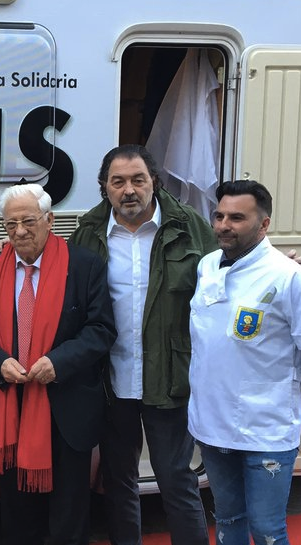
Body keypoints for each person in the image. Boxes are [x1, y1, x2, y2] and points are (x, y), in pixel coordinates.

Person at [68, 144, 214, 545]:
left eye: (138, 179)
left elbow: (232, 274)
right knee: (118, 482)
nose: (128, 190)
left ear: (154, 182)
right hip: (112, 380)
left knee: (176, 479)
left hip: (170, 376)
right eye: (118, 182)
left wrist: (283, 264)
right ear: (104, 188)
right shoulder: (88, 234)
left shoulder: (189, 227)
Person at [188, 180, 301, 545]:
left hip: (265, 428)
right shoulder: (208, 265)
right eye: (219, 215)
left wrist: (281, 384)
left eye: (237, 217)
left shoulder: (291, 277)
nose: (224, 224)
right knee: (227, 519)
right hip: (212, 421)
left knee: (267, 528)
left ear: (264, 224)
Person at [0, 183, 117, 545]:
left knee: (68, 516)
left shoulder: (84, 266)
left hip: (67, 407)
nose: (19, 231)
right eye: (10, 224)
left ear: (50, 220)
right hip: (11, 406)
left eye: (28, 221)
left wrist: (58, 361)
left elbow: (101, 329)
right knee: (18, 516)